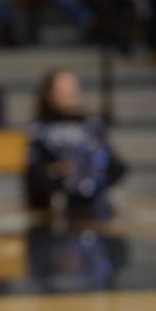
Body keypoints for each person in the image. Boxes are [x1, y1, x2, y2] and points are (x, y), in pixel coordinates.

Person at [25, 69, 126, 219]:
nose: (69, 94)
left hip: (94, 193)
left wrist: (94, 171)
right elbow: (34, 170)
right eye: (62, 90)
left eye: (72, 88)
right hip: (58, 198)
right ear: (49, 93)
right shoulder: (40, 128)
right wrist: (56, 171)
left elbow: (115, 163)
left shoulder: (91, 124)